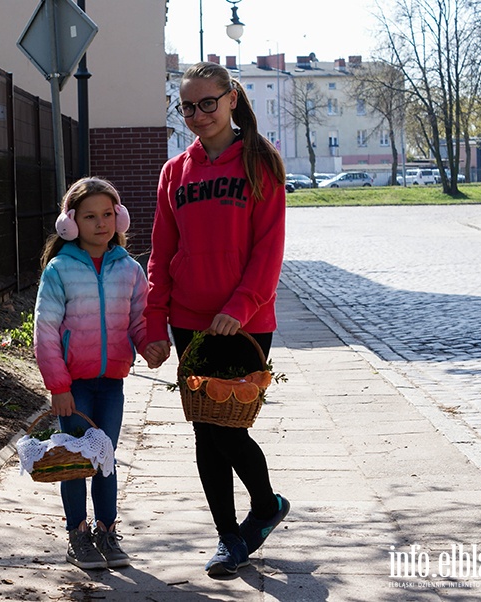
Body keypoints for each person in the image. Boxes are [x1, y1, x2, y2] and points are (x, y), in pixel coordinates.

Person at [142, 61, 290, 576]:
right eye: (187, 106)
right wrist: (153, 320)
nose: (197, 114)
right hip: (188, 320)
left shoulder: (260, 162)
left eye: (208, 102)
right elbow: (161, 253)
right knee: (207, 429)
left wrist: (239, 307)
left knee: (229, 425)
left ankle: (266, 506)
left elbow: (269, 249)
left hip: (245, 322)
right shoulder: (174, 172)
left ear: (231, 99)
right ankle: (230, 535)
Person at [34, 176, 156, 570]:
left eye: (108, 214)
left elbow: (138, 320)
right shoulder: (59, 270)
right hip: (73, 386)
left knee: (105, 459)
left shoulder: (130, 270)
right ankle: (78, 534)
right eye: (90, 216)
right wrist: (58, 386)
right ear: (70, 223)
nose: (101, 223)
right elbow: (46, 330)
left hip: (111, 384)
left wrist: (150, 344)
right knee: (74, 460)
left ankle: (107, 531)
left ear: (119, 218)